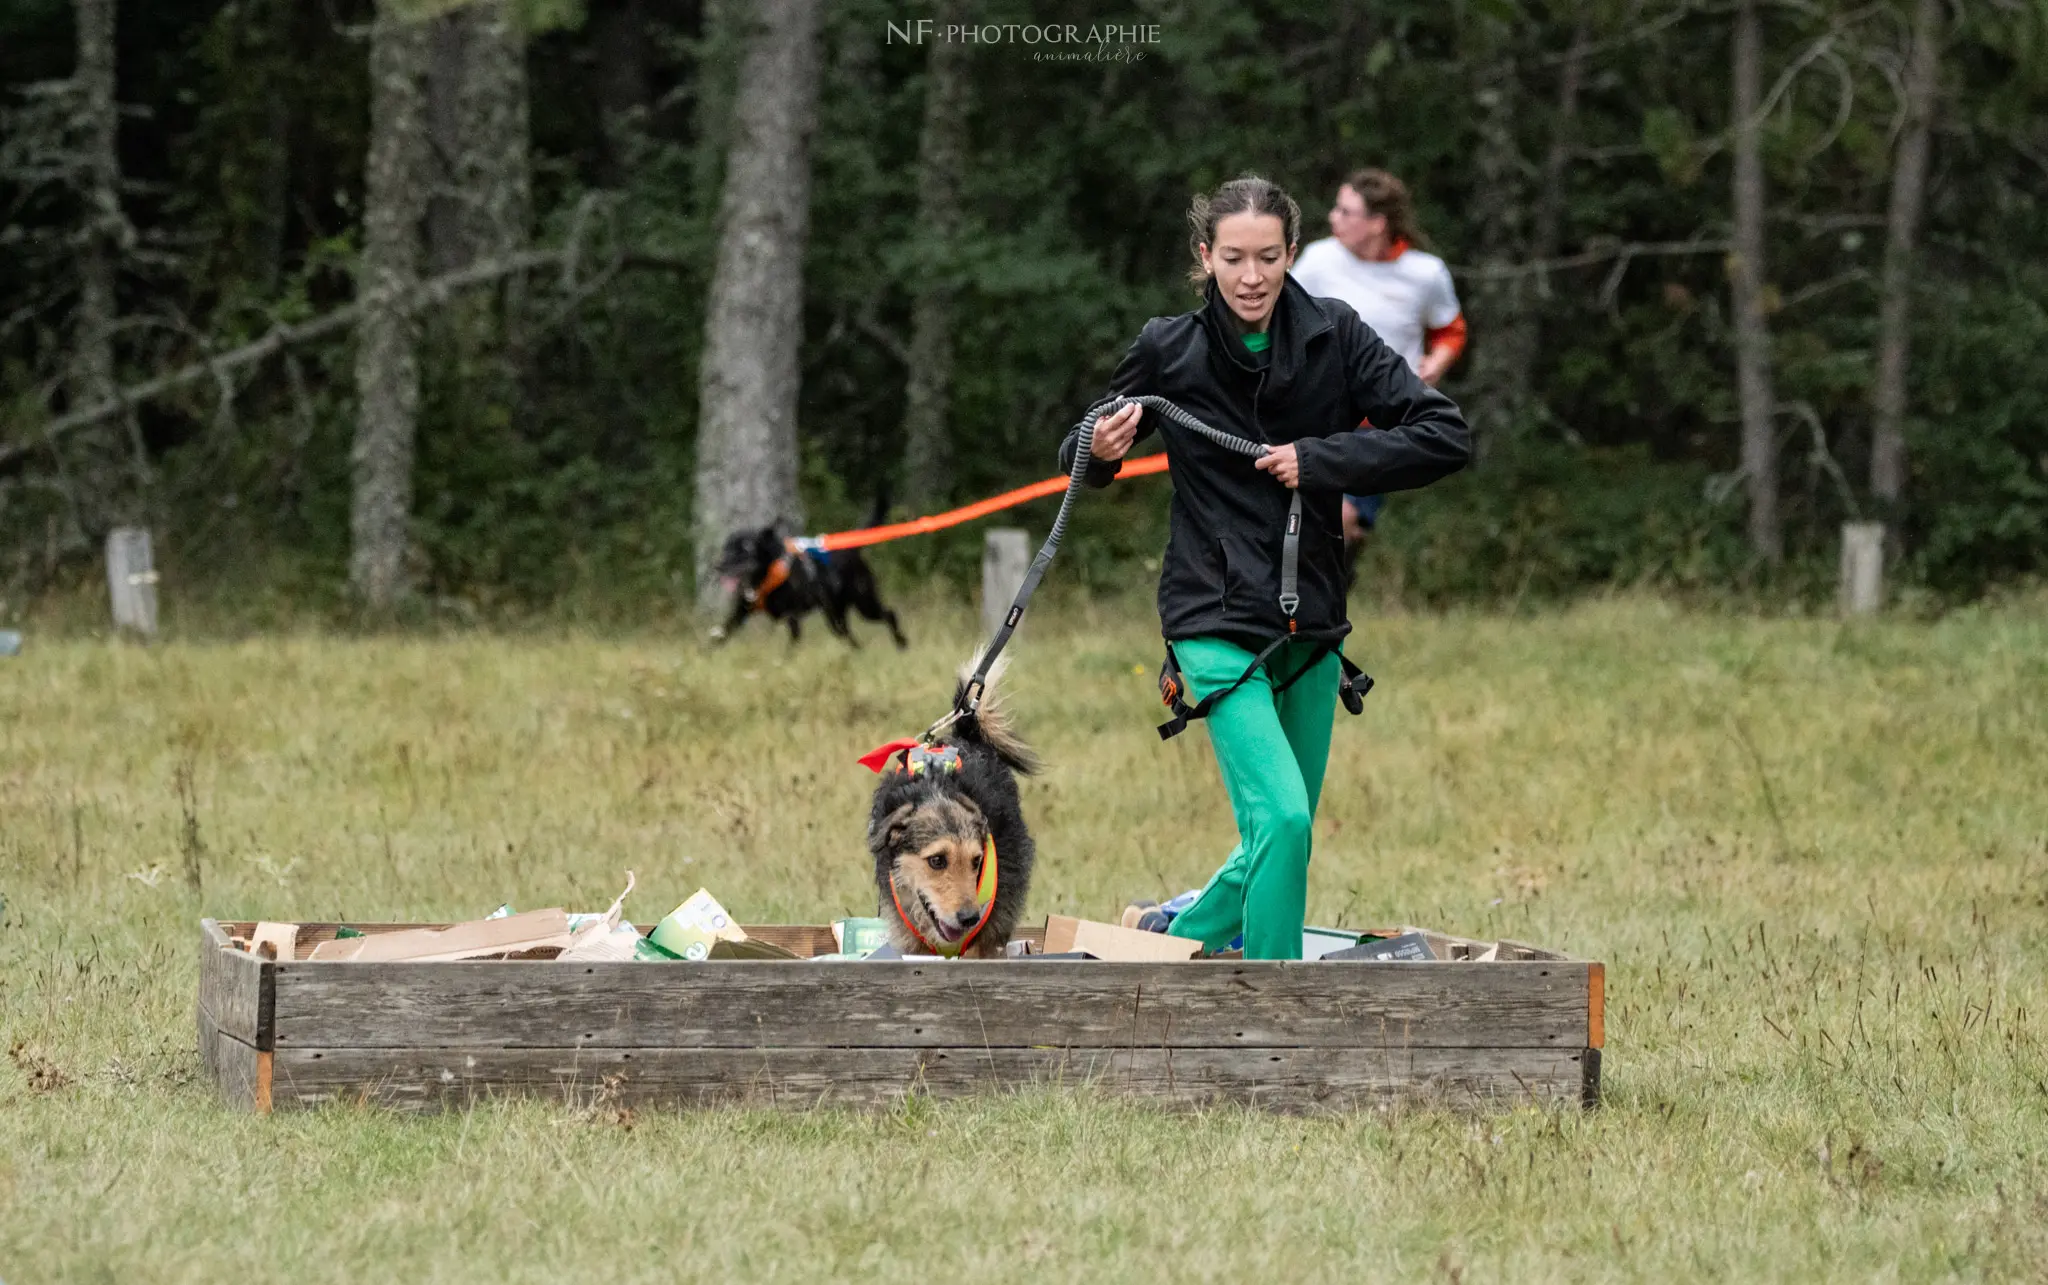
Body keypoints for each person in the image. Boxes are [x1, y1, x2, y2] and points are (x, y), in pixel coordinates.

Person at [1058, 175, 1469, 961]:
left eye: (1269, 258)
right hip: (1211, 616)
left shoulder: (1337, 335)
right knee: (1282, 819)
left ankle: (1163, 943)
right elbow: (1079, 445)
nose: (1252, 277)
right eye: (1235, 258)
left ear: (1291, 254)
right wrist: (1101, 450)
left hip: (1311, 623)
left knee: (1281, 841)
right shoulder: (1168, 347)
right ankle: (1277, 1010)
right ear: (1205, 256)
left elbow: (1443, 434)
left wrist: (1321, 458)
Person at [1289, 169, 1467, 586]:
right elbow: (1282, 320)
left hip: (1381, 425)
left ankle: (1327, 585)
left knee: (1342, 515)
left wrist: (1436, 363)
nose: (1333, 218)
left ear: (1377, 224)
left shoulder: (1425, 273)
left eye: (1346, 211)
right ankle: (1312, 594)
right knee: (1315, 517)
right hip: (1318, 414)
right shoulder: (1319, 259)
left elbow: (1450, 329)